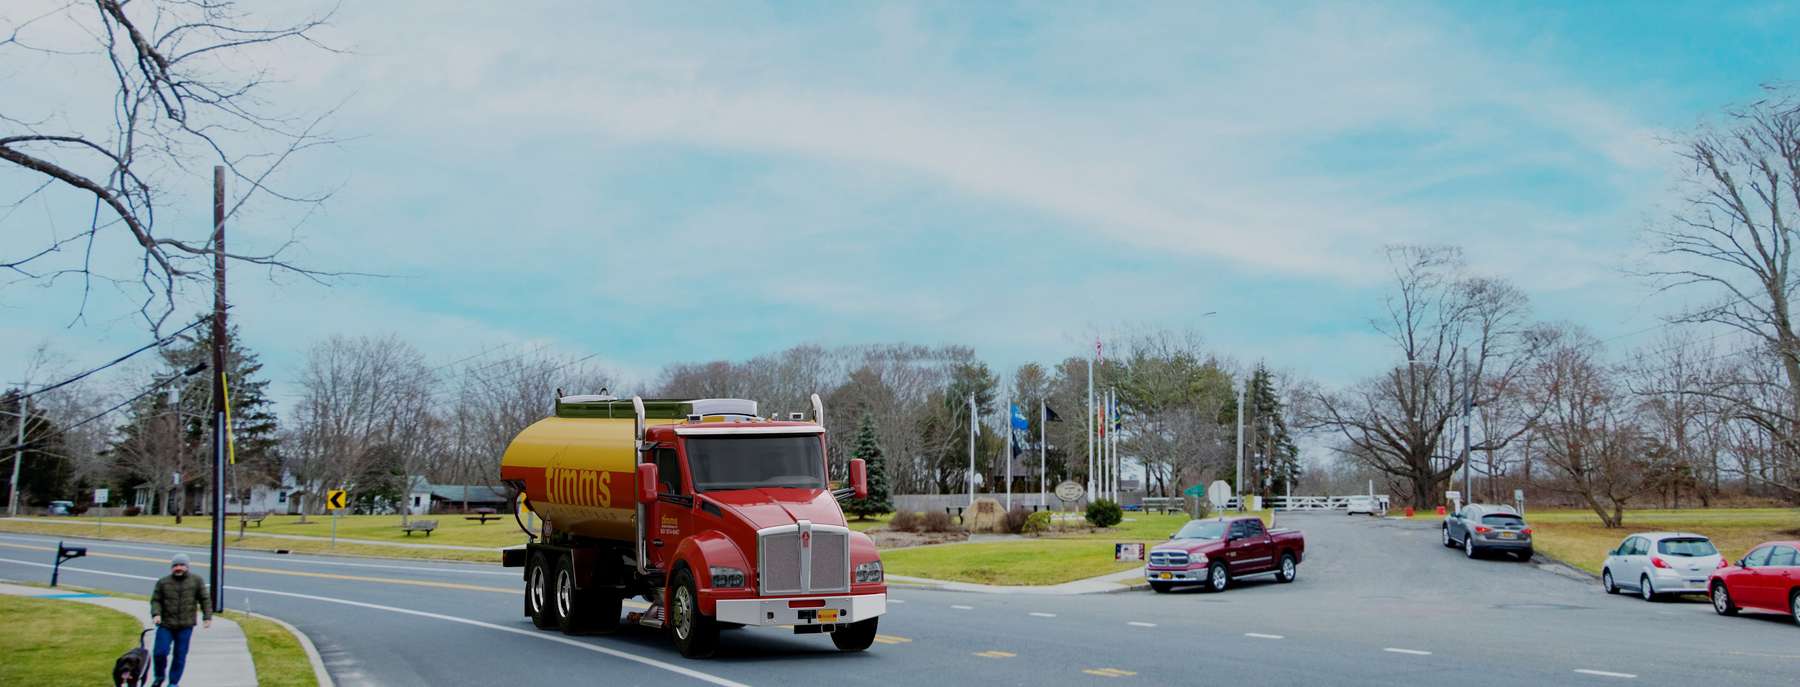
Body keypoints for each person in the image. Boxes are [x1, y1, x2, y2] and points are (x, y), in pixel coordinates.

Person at [148, 553, 211, 687]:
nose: (178, 568)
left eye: (182, 565)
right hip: (166, 624)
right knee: (160, 652)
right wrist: (156, 614)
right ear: (171, 568)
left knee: (180, 655)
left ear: (187, 567)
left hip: (185, 625)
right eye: (175, 565)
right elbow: (156, 600)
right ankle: (159, 676)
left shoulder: (196, 581)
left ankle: (173, 682)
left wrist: (207, 617)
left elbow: (205, 599)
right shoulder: (163, 582)